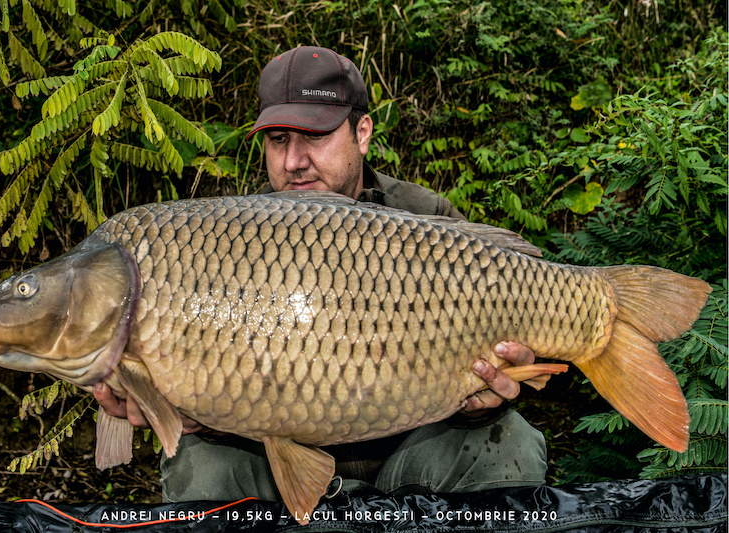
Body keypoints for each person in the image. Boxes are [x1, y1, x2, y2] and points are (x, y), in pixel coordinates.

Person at [94, 45, 546, 502]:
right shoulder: (224, 242)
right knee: (200, 467)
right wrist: (190, 410)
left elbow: (493, 374)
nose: (293, 161)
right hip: (267, 457)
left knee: (508, 446)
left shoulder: (427, 220)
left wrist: (480, 402)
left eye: (314, 135)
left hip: (409, 456)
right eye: (278, 140)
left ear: (362, 132)